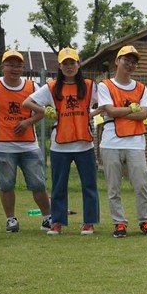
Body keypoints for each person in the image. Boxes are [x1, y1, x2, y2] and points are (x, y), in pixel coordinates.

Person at [23, 47, 99, 235]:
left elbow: (105, 104)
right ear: (59, 66)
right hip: (60, 145)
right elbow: (27, 102)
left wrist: (91, 114)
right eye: (65, 64)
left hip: (84, 144)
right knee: (58, 187)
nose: (69, 66)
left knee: (89, 186)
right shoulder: (51, 87)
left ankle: (89, 223)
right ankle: (56, 222)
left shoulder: (89, 85)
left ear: (78, 64)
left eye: (72, 63)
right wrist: (45, 111)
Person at [97, 45, 147, 238]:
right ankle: (119, 223)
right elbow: (110, 110)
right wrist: (131, 109)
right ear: (117, 61)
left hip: (135, 143)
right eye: (126, 60)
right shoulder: (105, 85)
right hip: (111, 143)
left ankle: (145, 220)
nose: (130, 64)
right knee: (114, 187)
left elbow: (143, 114)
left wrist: (118, 112)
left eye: (134, 62)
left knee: (141, 185)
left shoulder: (141, 88)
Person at [0, 49, 51, 233]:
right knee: (6, 184)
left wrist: (28, 122)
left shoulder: (32, 86)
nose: (15, 69)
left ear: (23, 68)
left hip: (29, 145)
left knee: (38, 184)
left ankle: (48, 218)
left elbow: (44, 110)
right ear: (2, 67)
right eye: (10, 65)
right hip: (3, 145)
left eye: (18, 65)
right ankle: (11, 219)